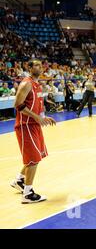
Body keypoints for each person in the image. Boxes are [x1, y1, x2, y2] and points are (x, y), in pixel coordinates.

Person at [10, 59, 56, 204]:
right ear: (28, 67)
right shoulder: (26, 83)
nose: (40, 67)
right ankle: (27, 193)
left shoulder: (38, 85)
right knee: (33, 159)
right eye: (36, 65)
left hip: (34, 125)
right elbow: (17, 105)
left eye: (41, 65)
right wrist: (37, 118)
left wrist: (43, 117)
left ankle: (19, 180)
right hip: (25, 125)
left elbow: (38, 105)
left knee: (36, 155)